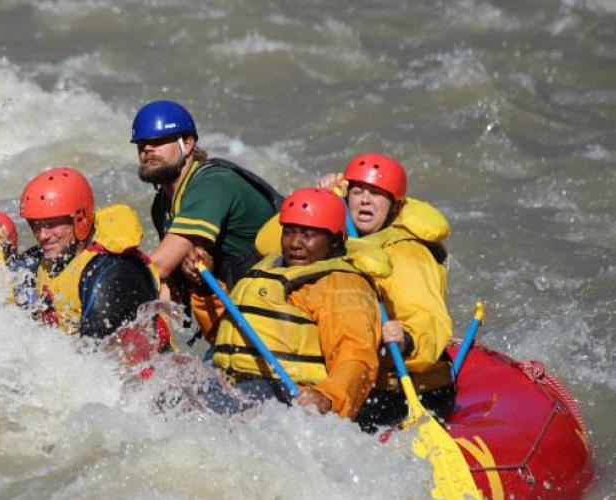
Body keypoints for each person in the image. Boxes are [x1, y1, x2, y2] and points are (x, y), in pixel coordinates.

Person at [207, 188, 386, 419]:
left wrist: (328, 397)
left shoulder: (341, 285)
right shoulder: (270, 267)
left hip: (287, 395)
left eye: (308, 235)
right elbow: (223, 333)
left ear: (334, 240)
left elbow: (355, 357)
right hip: (237, 384)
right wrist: (203, 291)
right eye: (289, 232)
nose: (295, 244)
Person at [317, 152, 456, 429]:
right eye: (358, 192)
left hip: (404, 389)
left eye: (377, 194)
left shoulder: (407, 254)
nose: (365, 200)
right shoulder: (333, 239)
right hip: (356, 375)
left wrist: (407, 339)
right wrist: (320, 201)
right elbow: (275, 246)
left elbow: (428, 318)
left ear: (394, 206)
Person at [130, 100, 282, 342]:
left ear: (188, 144)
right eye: (141, 144)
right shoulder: (162, 205)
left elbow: (158, 266)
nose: (147, 149)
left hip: (280, 313)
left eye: (158, 141)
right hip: (240, 313)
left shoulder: (212, 184)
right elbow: (167, 285)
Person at [10, 167, 161, 340]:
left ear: (80, 220)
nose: (42, 236)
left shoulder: (111, 274)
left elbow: (92, 357)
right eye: (35, 226)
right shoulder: (42, 257)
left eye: (51, 225)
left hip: (141, 365)